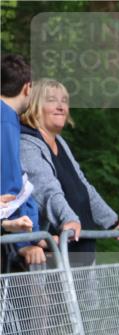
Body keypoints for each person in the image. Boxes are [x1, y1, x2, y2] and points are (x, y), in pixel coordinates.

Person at [19, 78, 119, 267]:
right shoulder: (26, 144)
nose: (61, 106)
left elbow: (83, 186)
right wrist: (68, 219)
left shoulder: (60, 142)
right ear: (35, 105)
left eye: (65, 101)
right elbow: (46, 189)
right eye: (52, 100)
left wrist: (111, 221)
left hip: (82, 244)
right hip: (54, 249)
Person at [1, 54, 42, 272]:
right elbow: (9, 189)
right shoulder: (5, 119)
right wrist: (23, 243)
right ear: (27, 88)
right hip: (10, 238)